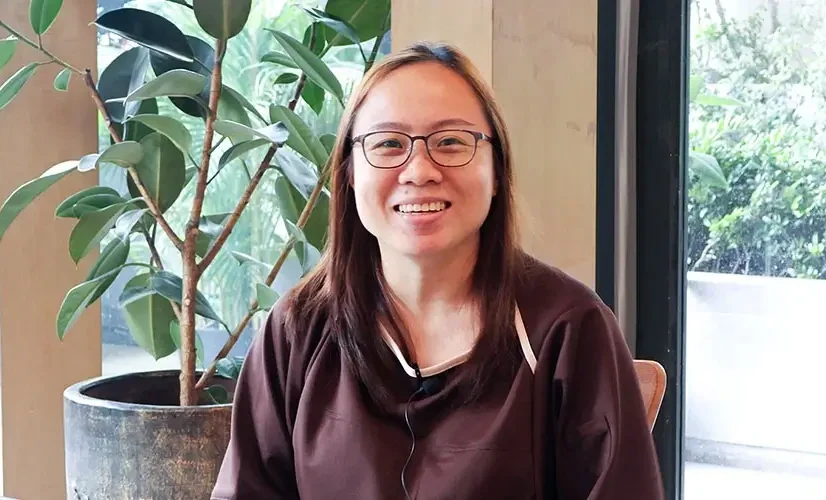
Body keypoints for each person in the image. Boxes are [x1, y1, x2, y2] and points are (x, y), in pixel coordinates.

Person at [211, 41, 664, 500]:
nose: (420, 170)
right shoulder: (298, 329)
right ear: (349, 173)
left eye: (451, 141)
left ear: (497, 169)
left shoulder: (568, 329)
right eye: (388, 144)